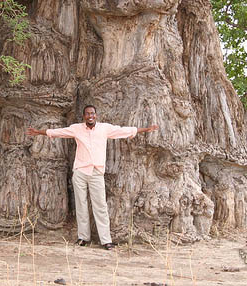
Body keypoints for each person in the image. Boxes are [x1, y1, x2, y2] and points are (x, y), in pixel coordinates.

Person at [26, 105, 158, 250]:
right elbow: (58, 132)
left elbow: (123, 130)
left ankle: (106, 240)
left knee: (100, 206)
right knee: (81, 205)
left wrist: (145, 129)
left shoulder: (104, 128)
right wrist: (38, 132)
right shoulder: (77, 128)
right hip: (80, 172)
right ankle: (83, 238)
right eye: (87, 114)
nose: (90, 116)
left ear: (96, 115)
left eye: (93, 113)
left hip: (96, 172)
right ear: (84, 116)